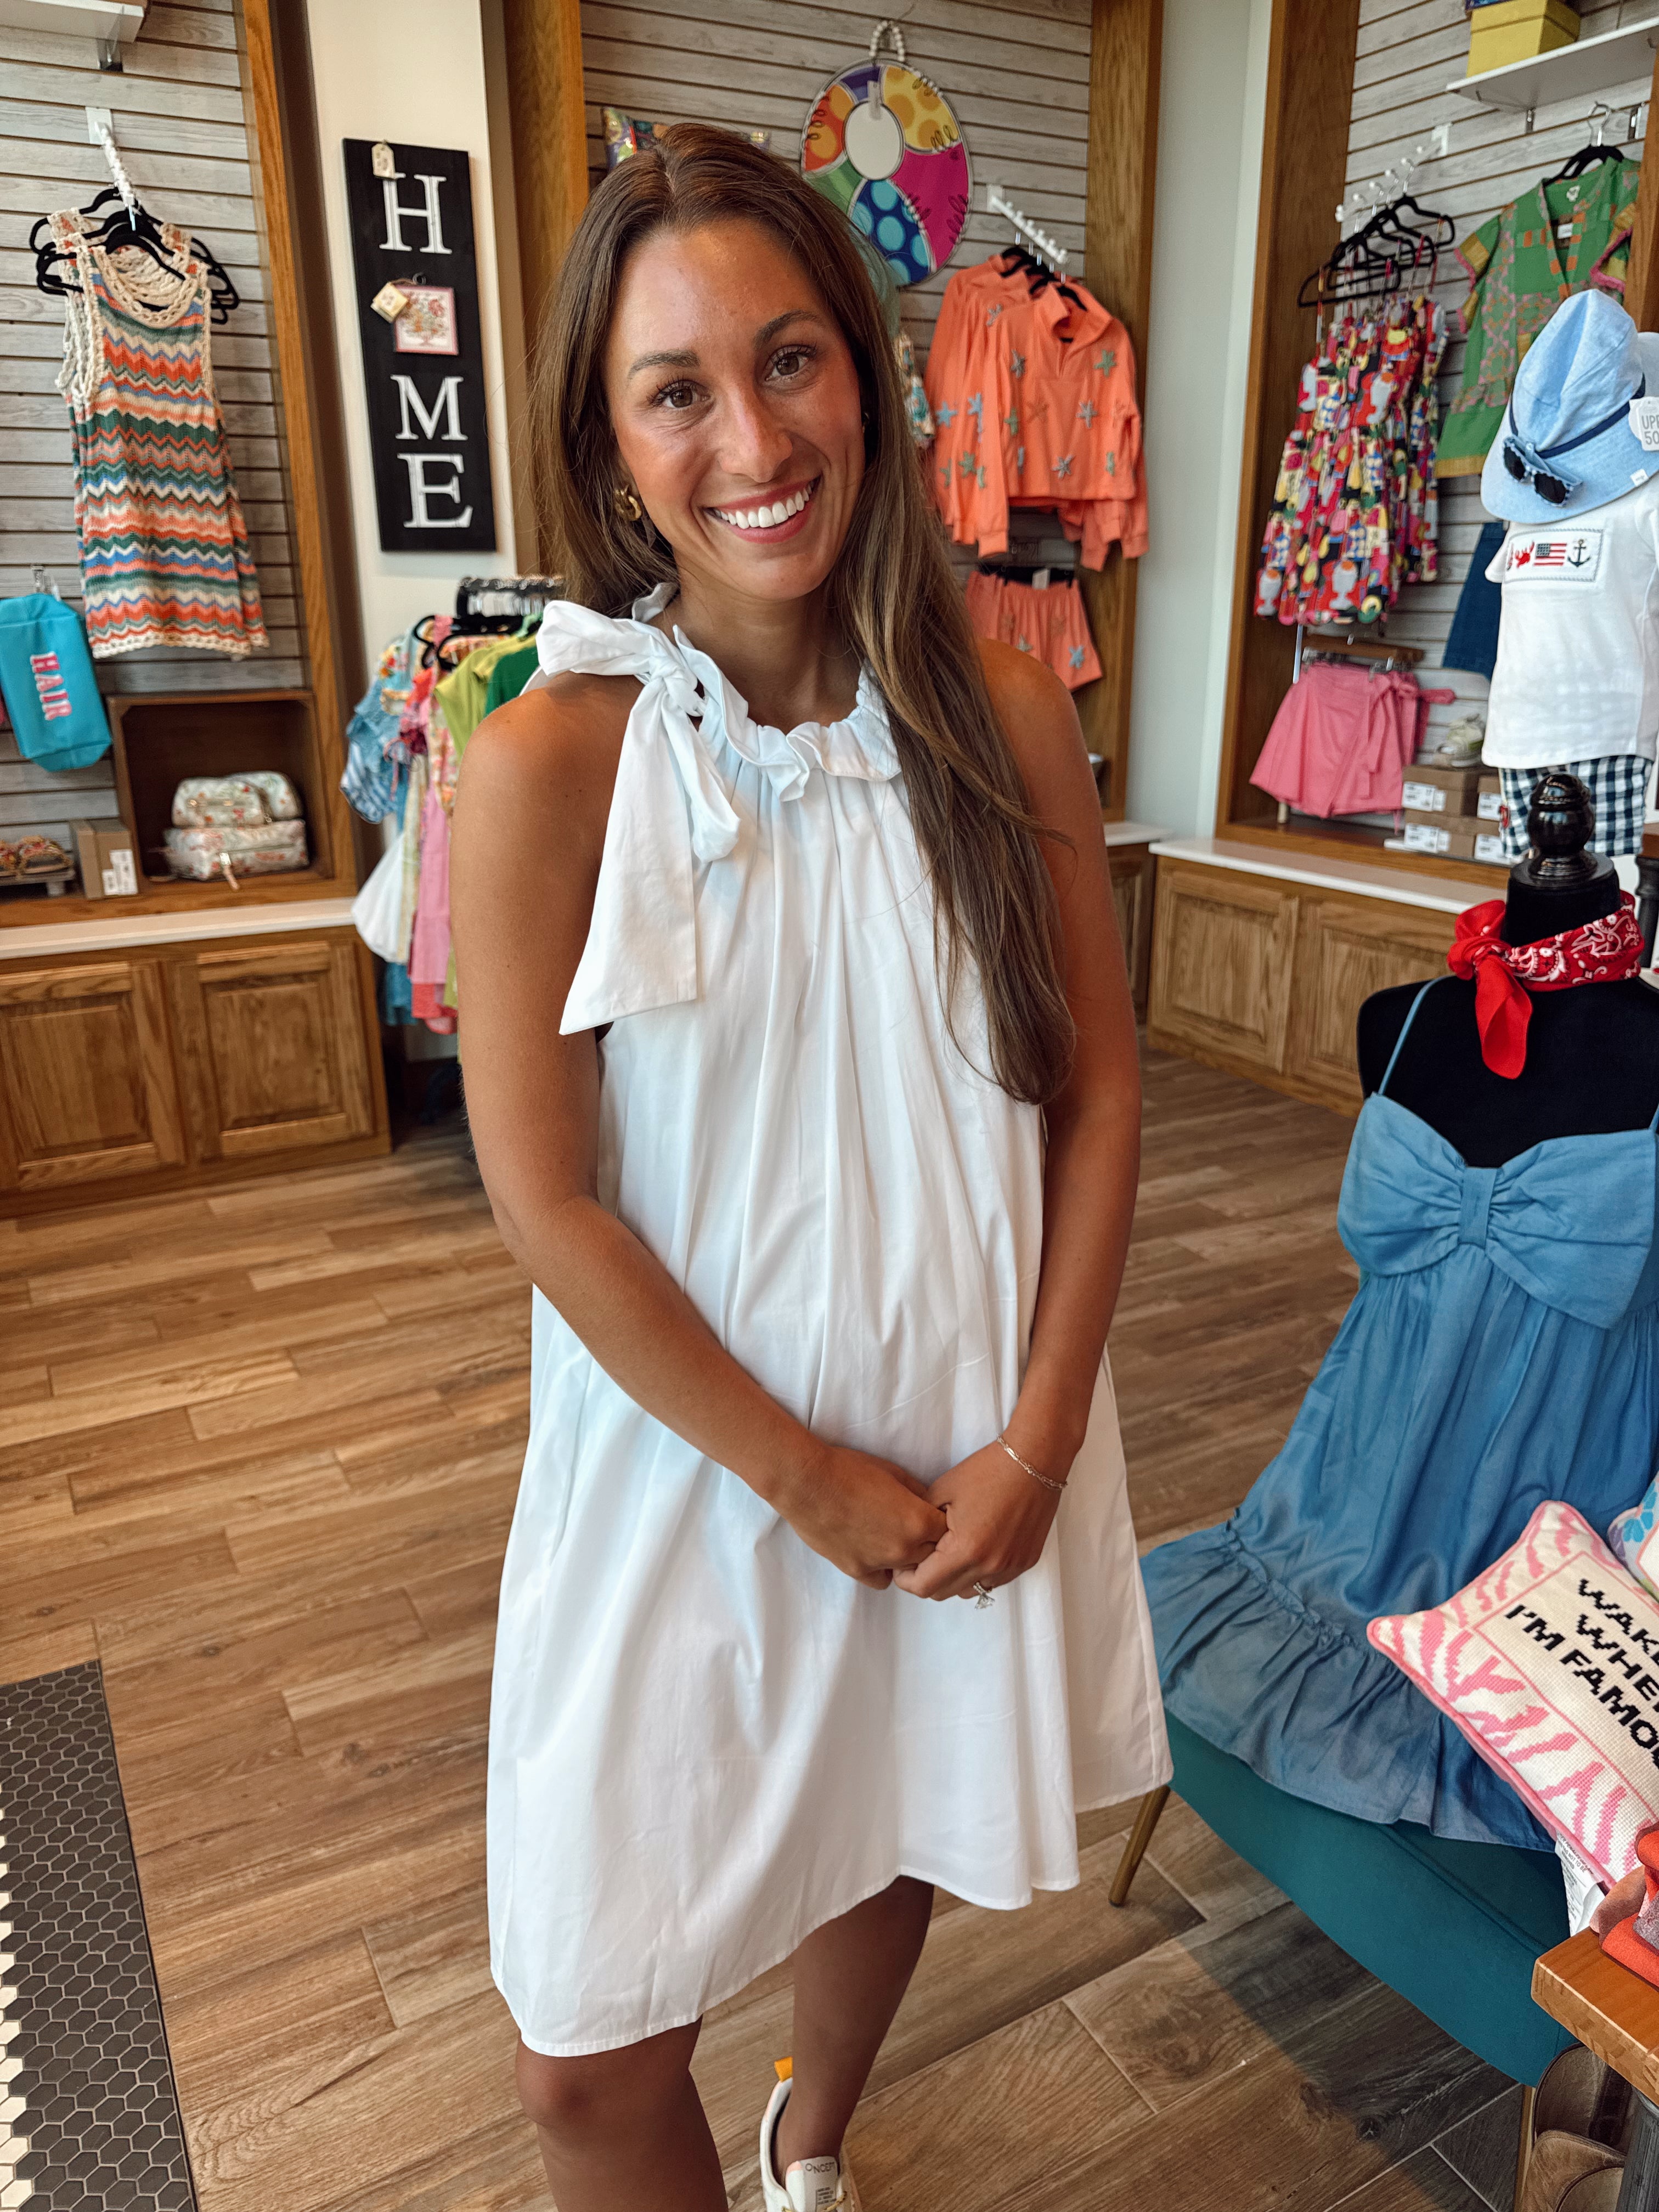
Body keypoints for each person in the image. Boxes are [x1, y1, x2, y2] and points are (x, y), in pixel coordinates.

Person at [450, 123, 1167, 2212]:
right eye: (676, 389)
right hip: (691, 1470)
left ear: (864, 369)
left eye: (789, 361)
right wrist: (798, 1474)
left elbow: (1098, 1097)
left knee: (895, 1820)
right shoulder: (551, 756)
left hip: (962, 1450)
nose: (752, 440)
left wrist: (1036, 1442)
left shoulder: (1003, 715)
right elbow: (545, 1198)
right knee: (583, 2061)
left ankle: (810, 2142)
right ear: (608, 444)